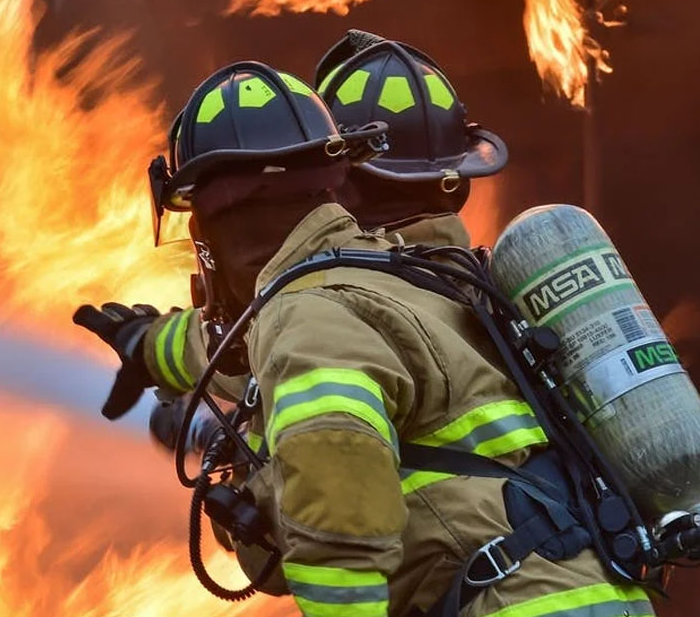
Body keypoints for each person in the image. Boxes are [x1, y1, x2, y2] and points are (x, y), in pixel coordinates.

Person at [75, 37, 653, 617]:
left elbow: (337, 531)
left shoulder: (309, 316)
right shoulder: (406, 279)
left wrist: (261, 490)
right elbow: (237, 345)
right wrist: (149, 346)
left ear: (222, 226)